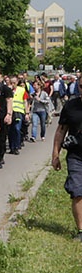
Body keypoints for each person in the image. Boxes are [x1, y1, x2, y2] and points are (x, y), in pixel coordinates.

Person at [51, 94, 82, 242]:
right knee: (77, 191)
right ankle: (81, 230)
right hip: (76, 156)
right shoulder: (71, 106)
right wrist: (55, 154)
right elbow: (61, 130)